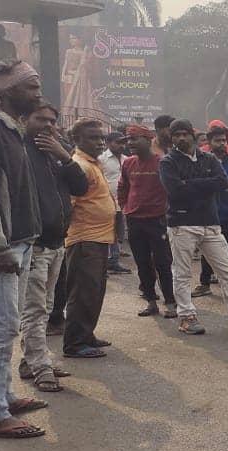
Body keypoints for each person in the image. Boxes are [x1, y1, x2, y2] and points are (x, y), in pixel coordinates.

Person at [160, 118, 228, 335]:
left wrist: (189, 184)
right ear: (172, 138)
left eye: (184, 134)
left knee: (227, 271)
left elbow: (221, 182)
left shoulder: (208, 158)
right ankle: (186, 317)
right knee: (182, 273)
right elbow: (175, 190)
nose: (181, 138)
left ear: (193, 136)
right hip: (182, 224)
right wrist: (204, 184)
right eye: (176, 134)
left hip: (210, 223)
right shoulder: (168, 162)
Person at [0, 60, 49, 438]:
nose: (38, 95)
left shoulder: (12, 131)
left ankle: (6, 394)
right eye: (31, 87)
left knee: (8, 327)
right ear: (4, 92)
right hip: (5, 247)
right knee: (3, 328)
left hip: (22, 242)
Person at [19, 102, 86, 392]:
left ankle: (30, 360)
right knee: (34, 310)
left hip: (57, 242)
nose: (48, 125)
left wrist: (64, 157)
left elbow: (81, 187)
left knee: (45, 307)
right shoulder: (18, 152)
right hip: (32, 244)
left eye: (52, 120)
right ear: (24, 120)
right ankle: (40, 367)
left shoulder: (56, 154)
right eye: (41, 119)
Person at [64, 119, 117, 360]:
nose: (100, 142)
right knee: (83, 292)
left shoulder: (92, 164)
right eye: (93, 138)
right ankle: (75, 343)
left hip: (100, 238)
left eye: (101, 138)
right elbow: (69, 205)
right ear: (77, 140)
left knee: (95, 290)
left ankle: (86, 335)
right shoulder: (79, 166)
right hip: (85, 239)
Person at [119, 125, 176, 318]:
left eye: (135, 139)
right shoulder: (128, 164)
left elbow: (172, 190)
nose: (130, 143)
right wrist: (126, 208)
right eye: (128, 140)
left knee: (163, 263)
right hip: (134, 220)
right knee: (142, 263)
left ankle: (170, 303)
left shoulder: (163, 162)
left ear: (148, 139)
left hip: (158, 220)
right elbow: (123, 188)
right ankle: (151, 302)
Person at [194, 126, 228, 295]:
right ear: (210, 143)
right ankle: (205, 283)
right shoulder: (201, 163)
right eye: (218, 141)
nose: (222, 144)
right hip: (209, 215)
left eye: (224, 140)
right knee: (207, 251)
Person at [100, 131, 131, 274]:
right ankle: (110, 260)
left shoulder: (127, 159)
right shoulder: (101, 159)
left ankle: (114, 259)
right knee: (108, 231)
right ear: (108, 143)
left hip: (123, 202)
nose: (121, 145)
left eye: (123, 142)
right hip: (106, 202)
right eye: (118, 142)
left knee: (119, 232)